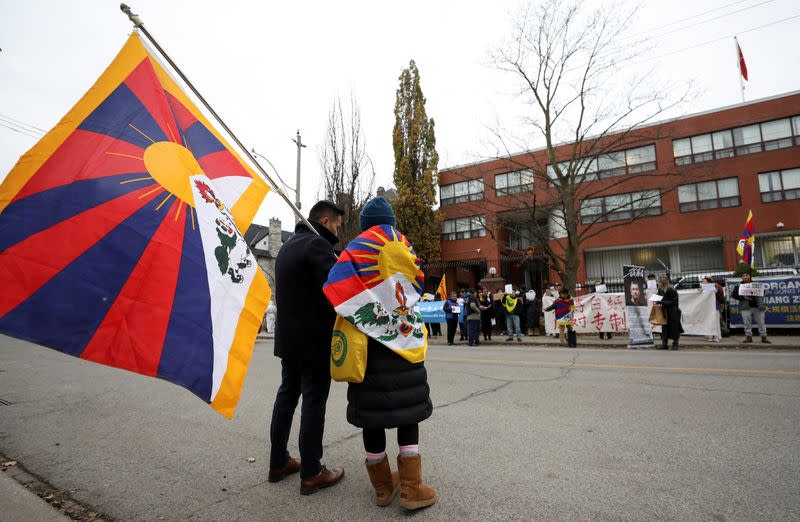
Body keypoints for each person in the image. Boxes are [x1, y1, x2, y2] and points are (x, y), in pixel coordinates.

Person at [340, 197, 436, 511]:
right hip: (404, 343)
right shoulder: (403, 247)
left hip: (367, 346)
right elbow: (418, 283)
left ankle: (382, 489)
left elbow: (336, 288)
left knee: (372, 419)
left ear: (365, 224)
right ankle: (411, 489)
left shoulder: (353, 251)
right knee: (408, 414)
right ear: (391, 222)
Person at [269, 200, 345, 494]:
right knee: (313, 400)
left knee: (287, 397)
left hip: (288, 341)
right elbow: (336, 290)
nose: (338, 229)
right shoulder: (317, 246)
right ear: (325, 222)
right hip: (313, 341)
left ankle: (278, 462)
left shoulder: (287, 247)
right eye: (337, 224)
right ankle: (312, 471)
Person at [732, 272, 770, 344]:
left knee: (761, 323)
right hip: (745, 307)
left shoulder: (756, 285)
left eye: (747, 275)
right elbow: (734, 295)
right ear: (741, 278)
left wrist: (759, 290)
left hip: (758, 307)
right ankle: (748, 337)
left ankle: (764, 337)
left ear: (750, 277)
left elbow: (763, 292)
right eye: (744, 275)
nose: (745, 277)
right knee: (747, 323)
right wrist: (743, 297)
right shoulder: (738, 286)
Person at [655, 276, 683, 350]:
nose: (658, 283)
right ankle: (664, 344)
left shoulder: (671, 290)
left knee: (674, 328)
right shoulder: (660, 290)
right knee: (664, 327)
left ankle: (675, 344)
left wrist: (662, 302)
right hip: (664, 311)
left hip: (673, 311)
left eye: (659, 282)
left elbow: (674, 302)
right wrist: (656, 299)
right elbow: (658, 297)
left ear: (662, 283)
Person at [703, 276, 724, 342]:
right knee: (708, 321)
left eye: (704, 281)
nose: (703, 282)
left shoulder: (715, 287)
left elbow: (718, 295)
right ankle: (710, 336)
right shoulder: (703, 288)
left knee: (716, 321)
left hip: (715, 306)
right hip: (707, 307)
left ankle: (716, 336)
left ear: (708, 281)